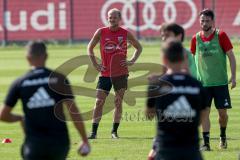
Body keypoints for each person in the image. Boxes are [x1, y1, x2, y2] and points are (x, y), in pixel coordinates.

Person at [0, 41, 90, 160]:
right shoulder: (59, 79)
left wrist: (20, 118)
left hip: (34, 146)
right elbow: (74, 112)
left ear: (27, 58)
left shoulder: (20, 83)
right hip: (59, 144)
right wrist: (84, 140)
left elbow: (3, 115)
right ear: (46, 56)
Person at [146, 39, 206, 160]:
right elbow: (201, 118)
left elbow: (149, 114)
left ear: (164, 59)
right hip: (191, 151)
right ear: (184, 58)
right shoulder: (197, 85)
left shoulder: (156, 85)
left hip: (166, 150)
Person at [87, 8, 142, 139]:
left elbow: (139, 47)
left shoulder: (125, 33)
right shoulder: (101, 32)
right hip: (105, 73)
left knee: (118, 102)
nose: (112, 20)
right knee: (99, 102)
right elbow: (89, 47)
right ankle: (93, 133)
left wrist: (132, 60)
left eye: (114, 17)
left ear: (120, 18)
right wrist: (94, 63)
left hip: (121, 74)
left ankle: (114, 132)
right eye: (110, 17)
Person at [190, 9, 236, 151]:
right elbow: (192, 59)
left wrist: (233, 76)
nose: (204, 23)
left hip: (220, 83)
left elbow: (231, 57)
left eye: (207, 20)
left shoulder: (221, 35)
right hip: (203, 84)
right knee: (204, 113)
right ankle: (206, 143)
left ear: (213, 21)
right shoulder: (195, 38)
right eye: (202, 20)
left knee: (223, 115)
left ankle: (222, 136)